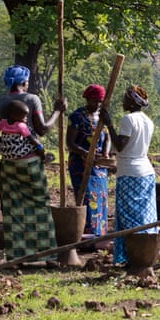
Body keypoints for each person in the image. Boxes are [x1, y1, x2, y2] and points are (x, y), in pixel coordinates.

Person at [0, 65, 67, 261]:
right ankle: (46, 256)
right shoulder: (32, 100)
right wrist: (58, 111)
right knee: (39, 205)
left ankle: (17, 256)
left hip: (9, 164)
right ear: (24, 82)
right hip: (30, 163)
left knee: (13, 209)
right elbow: (42, 130)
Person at [100, 85, 156, 265]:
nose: (123, 101)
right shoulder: (148, 121)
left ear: (132, 101)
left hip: (130, 172)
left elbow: (121, 145)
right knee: (144, 215)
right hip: (146, 171)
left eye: (125, 98)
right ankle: (145, 253)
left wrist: (108, 123)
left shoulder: (128, 120)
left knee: (128, 216)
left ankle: (133, 256)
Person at [66, 84, 111, 237]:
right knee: (87, 198)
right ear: (86, 99)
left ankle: (100, 234)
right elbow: (70, 143)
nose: (97, 104)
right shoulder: (77, 117)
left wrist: (105, 153)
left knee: (101, 199)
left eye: (100, 101)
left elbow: (107, 137)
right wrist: (86, 153)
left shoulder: (102, 116)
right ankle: (86, 234)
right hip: (81, 165)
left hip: (99, 167)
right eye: (94, 100)